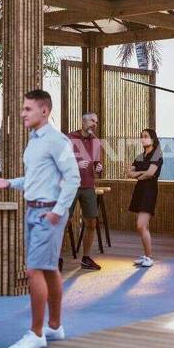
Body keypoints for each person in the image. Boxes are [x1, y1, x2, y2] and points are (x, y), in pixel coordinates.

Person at [0, 90, 79, 348]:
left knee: (34, 270)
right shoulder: (34, 141)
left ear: (44, 111)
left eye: (28, 109)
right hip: (33, 211)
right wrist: (9, 183)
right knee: (48, 269)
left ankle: (36, 333)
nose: (22, 113)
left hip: (48, 213)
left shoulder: (57, 141)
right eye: (23, 108)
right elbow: (36, 179)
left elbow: (73, 178)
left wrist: (57, 212)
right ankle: (55, 327)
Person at [68, 112, 104, 271]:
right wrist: (75, 165)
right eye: (92, 120)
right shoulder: (69, 138)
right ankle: (56, 259)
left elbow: (97, 163)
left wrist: (99, 167)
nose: (94, 124)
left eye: (96, 122)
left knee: (91, 223)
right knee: (63, 222)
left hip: (88, 186)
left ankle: (86, 259)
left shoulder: (96, 141)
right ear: (83, 122)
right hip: (70, 186)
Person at [127, 128, 163, 268]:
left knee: (140, 225)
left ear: (153, 139)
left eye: (146, 136)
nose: (143, 138)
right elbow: (129, 173)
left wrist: (139, 173)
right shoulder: (140, 156)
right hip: (140, 190)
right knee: (144, 227)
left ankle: (149, 257)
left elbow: (150, 173)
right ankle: (146, 255)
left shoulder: (157, 154)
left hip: (149, 191)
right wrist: (142, 173)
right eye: (142, 136)